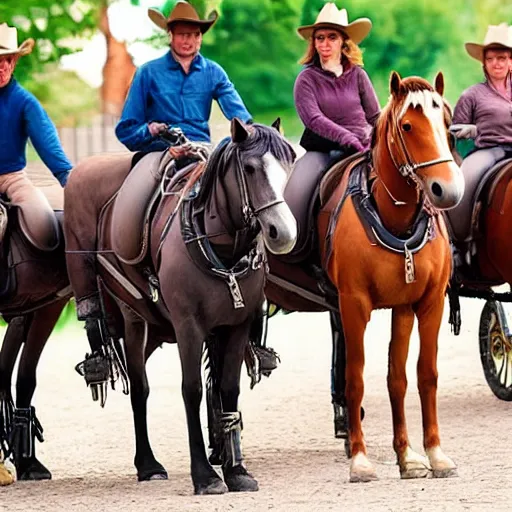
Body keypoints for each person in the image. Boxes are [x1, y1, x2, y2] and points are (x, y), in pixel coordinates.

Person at [293, 3, 380, 437]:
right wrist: (350, 138)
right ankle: (303, 256)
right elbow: (312, 119)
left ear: (345, 42)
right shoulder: (306, 78)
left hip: (363, 148)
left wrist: (380, 137)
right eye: (320, 37)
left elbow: (375, 113)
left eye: (332, 37)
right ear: (314, 43)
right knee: (296, 197)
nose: (325, 43)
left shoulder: (359, 76)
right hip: (321, 151)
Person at [115, 0, 252, 159]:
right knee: (138, 185)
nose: (189, 40)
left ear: (200, 37)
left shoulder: (214, 72)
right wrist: (150, 130)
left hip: (202, 150)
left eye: (195, 34)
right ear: (170, 35)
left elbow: (241, 116)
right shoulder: (147, 73)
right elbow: (126, 131)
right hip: (158, 153)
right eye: (182, 34)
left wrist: (250, 130)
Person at [0, 23, 72, 252]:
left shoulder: (25, 102)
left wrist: (72, 183)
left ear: (14, 62)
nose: (2, 67)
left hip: (12, 177)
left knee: (45, 230)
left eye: (7, 60)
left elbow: (49, 146)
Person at [448, 23, 512, 250]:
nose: (497, 63)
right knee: (465, 182)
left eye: (502, 58)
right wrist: (472, 130)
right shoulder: (472, 95)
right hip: (488, 150)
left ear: (511, 62)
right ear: (484, 62)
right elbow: (454, 134)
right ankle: (458, 243)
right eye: (492, 58)